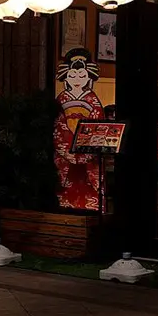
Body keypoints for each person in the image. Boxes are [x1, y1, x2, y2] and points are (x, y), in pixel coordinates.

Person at [53, 48, 105, 211]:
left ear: (89, 77)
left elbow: (98, 126)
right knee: (65, 196)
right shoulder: (61, 99)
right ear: (65, 77)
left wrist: (84, 151)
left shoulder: (93, 100)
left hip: (88, 158)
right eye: (72, 75)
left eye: (82, 76)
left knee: (89, 196)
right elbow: (58, 127)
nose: (77, 80)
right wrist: (68, 151)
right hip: (66, 154)